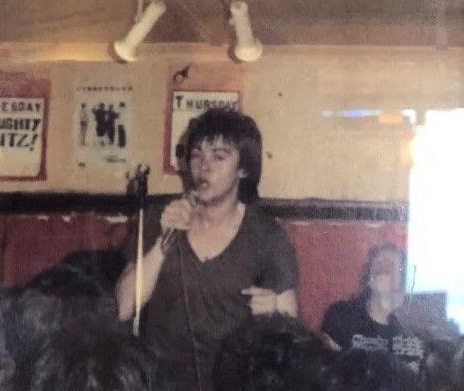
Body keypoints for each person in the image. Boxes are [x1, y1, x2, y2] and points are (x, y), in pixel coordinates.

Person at [116, 108, 298, 391]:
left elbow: (292, 331)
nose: (204, 166)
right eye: (197, 154)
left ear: (244, 169)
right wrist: (163, 242)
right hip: (159, 382)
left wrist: (274, 311)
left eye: (219, 156)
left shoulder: (266, 236)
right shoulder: (157, 218)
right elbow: (124, 307)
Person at [321, 243, 425, 373]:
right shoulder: (342, 316)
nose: (382, 268)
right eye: (377, 264)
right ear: (369, 278)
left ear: (404, 278)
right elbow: (328, 376)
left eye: (389, 265)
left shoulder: (414, 332)